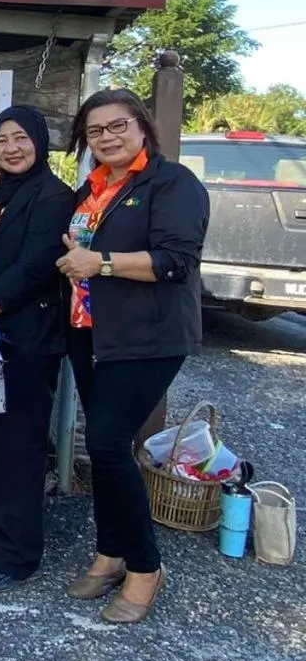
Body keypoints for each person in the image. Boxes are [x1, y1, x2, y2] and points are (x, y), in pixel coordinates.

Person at [56, 88, 208, 624]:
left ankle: (146, 567)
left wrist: (101, 263)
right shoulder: (93, 189)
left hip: (148, 337)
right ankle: (111, 551)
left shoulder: (172, 183)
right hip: (90, 334)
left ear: (142, 126)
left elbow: (175, 261)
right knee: (105, 449)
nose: (107, 138)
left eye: (117, 126)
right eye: (96, 131)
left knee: (108, 442)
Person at [0, 105, 75, 591]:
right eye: (2, 139)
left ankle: (15, 554)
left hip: (25, 336)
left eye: (21, 137)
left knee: (17, 445)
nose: (11, 147)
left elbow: (36, 266)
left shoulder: (53, 196)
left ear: (40, 142)